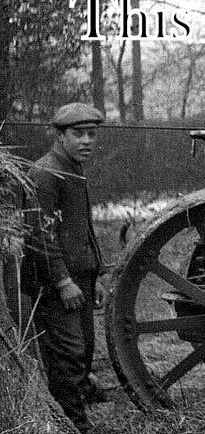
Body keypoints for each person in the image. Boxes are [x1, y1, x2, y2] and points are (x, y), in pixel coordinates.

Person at [24, 103, 106, 433]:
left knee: (85, 347)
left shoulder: (73, 167)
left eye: (91, 134)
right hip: (55, 281)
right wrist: (62, 281)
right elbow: (40, 233)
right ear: (59, 136)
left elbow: (81, 226)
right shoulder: (45, 173)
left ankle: (78, 403)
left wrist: (95, 275)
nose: (87, 140)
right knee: (67, 353)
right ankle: (73, 424)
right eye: (78, 134)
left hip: (81, 276)